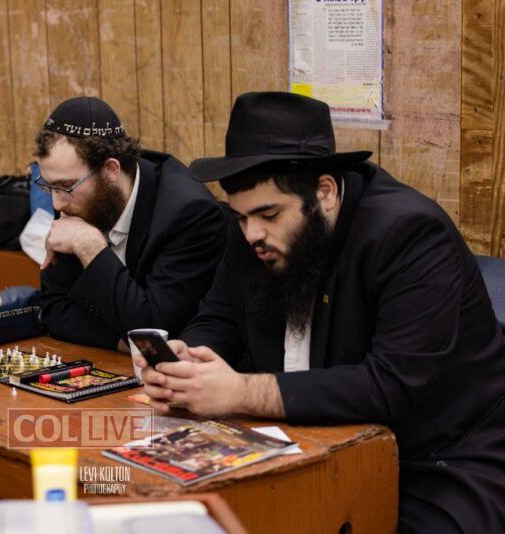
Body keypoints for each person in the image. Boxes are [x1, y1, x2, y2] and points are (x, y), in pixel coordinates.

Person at [134, 92, 505, 532]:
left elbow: (391, 385)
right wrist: (187, 364)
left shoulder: (410, 235)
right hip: (310, 444)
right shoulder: (252, 229)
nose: (252, 234)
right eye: (241, 218)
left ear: (324, 192)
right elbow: (219, 318)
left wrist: (240, 391)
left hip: (439, 462)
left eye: (269, 214)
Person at [37, 96, 225, 350]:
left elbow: (155, 330)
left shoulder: (189, 214)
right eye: (49, 186)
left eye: (66, 186)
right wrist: (118, 341)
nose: (57, 203)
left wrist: (91, 249)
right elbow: (53, 309)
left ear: (110, 170)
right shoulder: (72, 197)